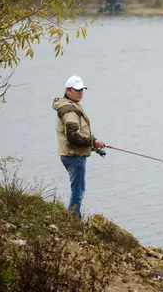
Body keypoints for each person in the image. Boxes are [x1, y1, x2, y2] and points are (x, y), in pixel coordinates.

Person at [53, 75, 106, 220]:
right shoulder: (70, 110)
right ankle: (73, 220)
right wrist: (93, 143)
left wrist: (93, 143)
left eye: (82, 90)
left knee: (78, 188)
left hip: (72, 154)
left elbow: (80, 131)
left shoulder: (72, 105)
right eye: (77, 90)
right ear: (68, 90)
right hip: (73, 156)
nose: (80, 92)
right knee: (78, 190)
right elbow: (73, 137)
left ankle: (73, 219)